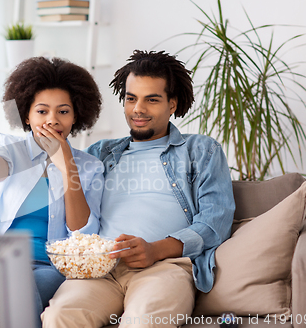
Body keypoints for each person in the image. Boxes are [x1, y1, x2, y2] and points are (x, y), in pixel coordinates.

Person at [41, 50, 235, 328]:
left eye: (151, 100)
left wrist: (155, 250)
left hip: (163, 268)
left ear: (172, 104)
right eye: (131, 98)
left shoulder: (201, 150)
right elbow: (34, 166)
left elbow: (215, 223)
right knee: (60, 317)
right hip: (99, 269)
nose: (138, 109)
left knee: (143, 321)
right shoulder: (99, 153)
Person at [0, 57, 104, 327]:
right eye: (42, 111)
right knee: (11, 283)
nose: (52, 120)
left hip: (51, 270)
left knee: (16, 286)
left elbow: (83, 236)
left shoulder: (90, 168)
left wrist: (67, 166)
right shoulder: (7, 145)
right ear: (26, 114)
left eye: (63, 112)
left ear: (76, 116)